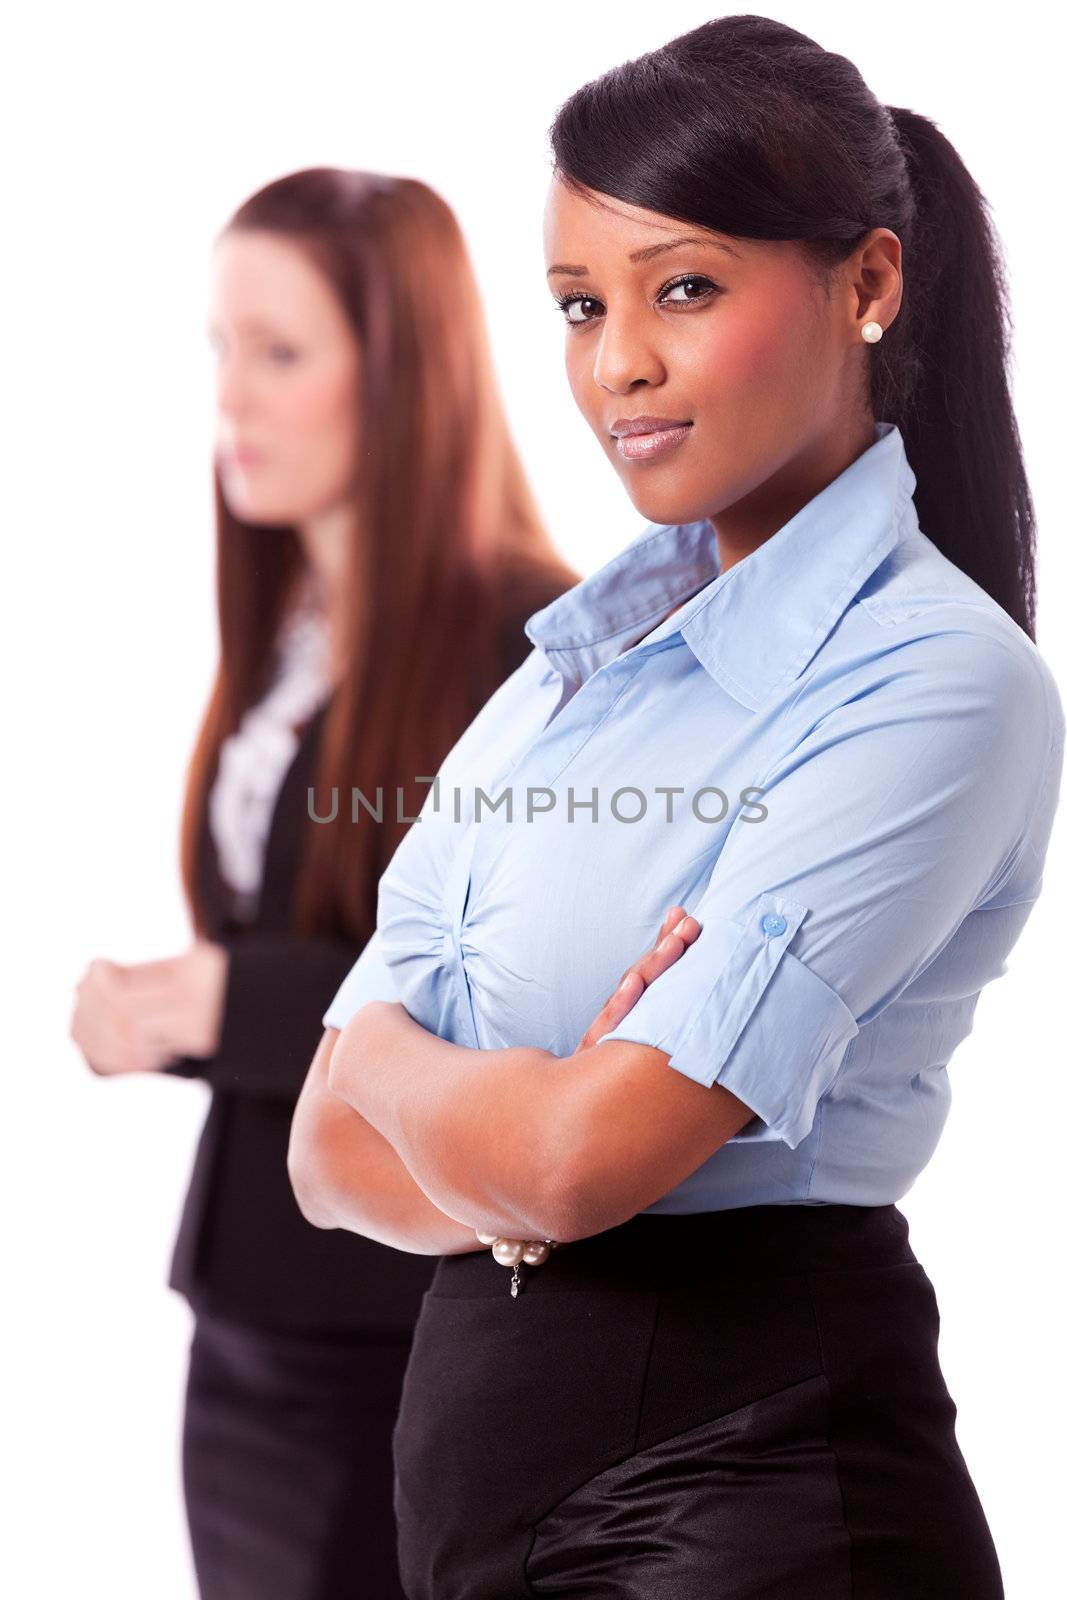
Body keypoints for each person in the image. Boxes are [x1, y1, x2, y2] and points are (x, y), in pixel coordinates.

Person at [289, 17, 1064, 1600]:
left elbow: (578, 1167)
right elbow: (322, 1158)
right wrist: (513, 1129)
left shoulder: (932, 681)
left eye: (685, 288)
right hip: (485, 1516)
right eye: (581, 306)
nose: (616, 362)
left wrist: (397, 1058)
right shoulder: (566, 675)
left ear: (868, 283)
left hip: (746, 1510)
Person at [68, 167, 576, 1600]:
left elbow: (512, 1001)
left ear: (400, 374)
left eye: (279, 353)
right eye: (220, 350)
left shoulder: (528, 649)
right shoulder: (289, 635)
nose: (233, 396)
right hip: (245, 1317)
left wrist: (219, 998)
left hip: (394, 1334)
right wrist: (190, 1017)